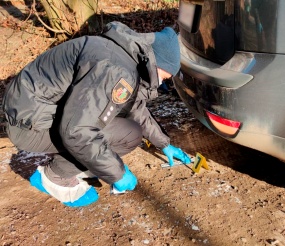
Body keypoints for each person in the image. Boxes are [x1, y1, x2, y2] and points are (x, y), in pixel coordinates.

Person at [2, 21, 191, 207]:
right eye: (165, 77)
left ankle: (80, 166)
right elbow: (77, 131)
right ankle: (54, 177)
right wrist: (118, 173)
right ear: (157, 62)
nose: (161, 83)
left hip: (30, 111)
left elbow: (134, 107)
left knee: (124, 127)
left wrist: (164, 144)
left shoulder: (121, 54)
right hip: (29, 125)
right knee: (128, 135)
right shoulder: (116, 70)